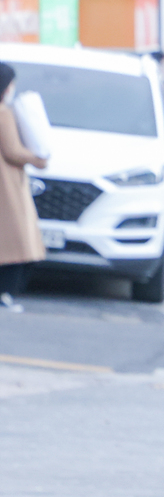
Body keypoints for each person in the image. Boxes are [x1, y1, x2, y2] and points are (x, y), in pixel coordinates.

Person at [0, 63, 49, 313]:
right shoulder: (3, 113)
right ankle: (5, 295)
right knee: (16, 244)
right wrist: (37, 158)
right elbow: (11, 151)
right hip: (7, 189)